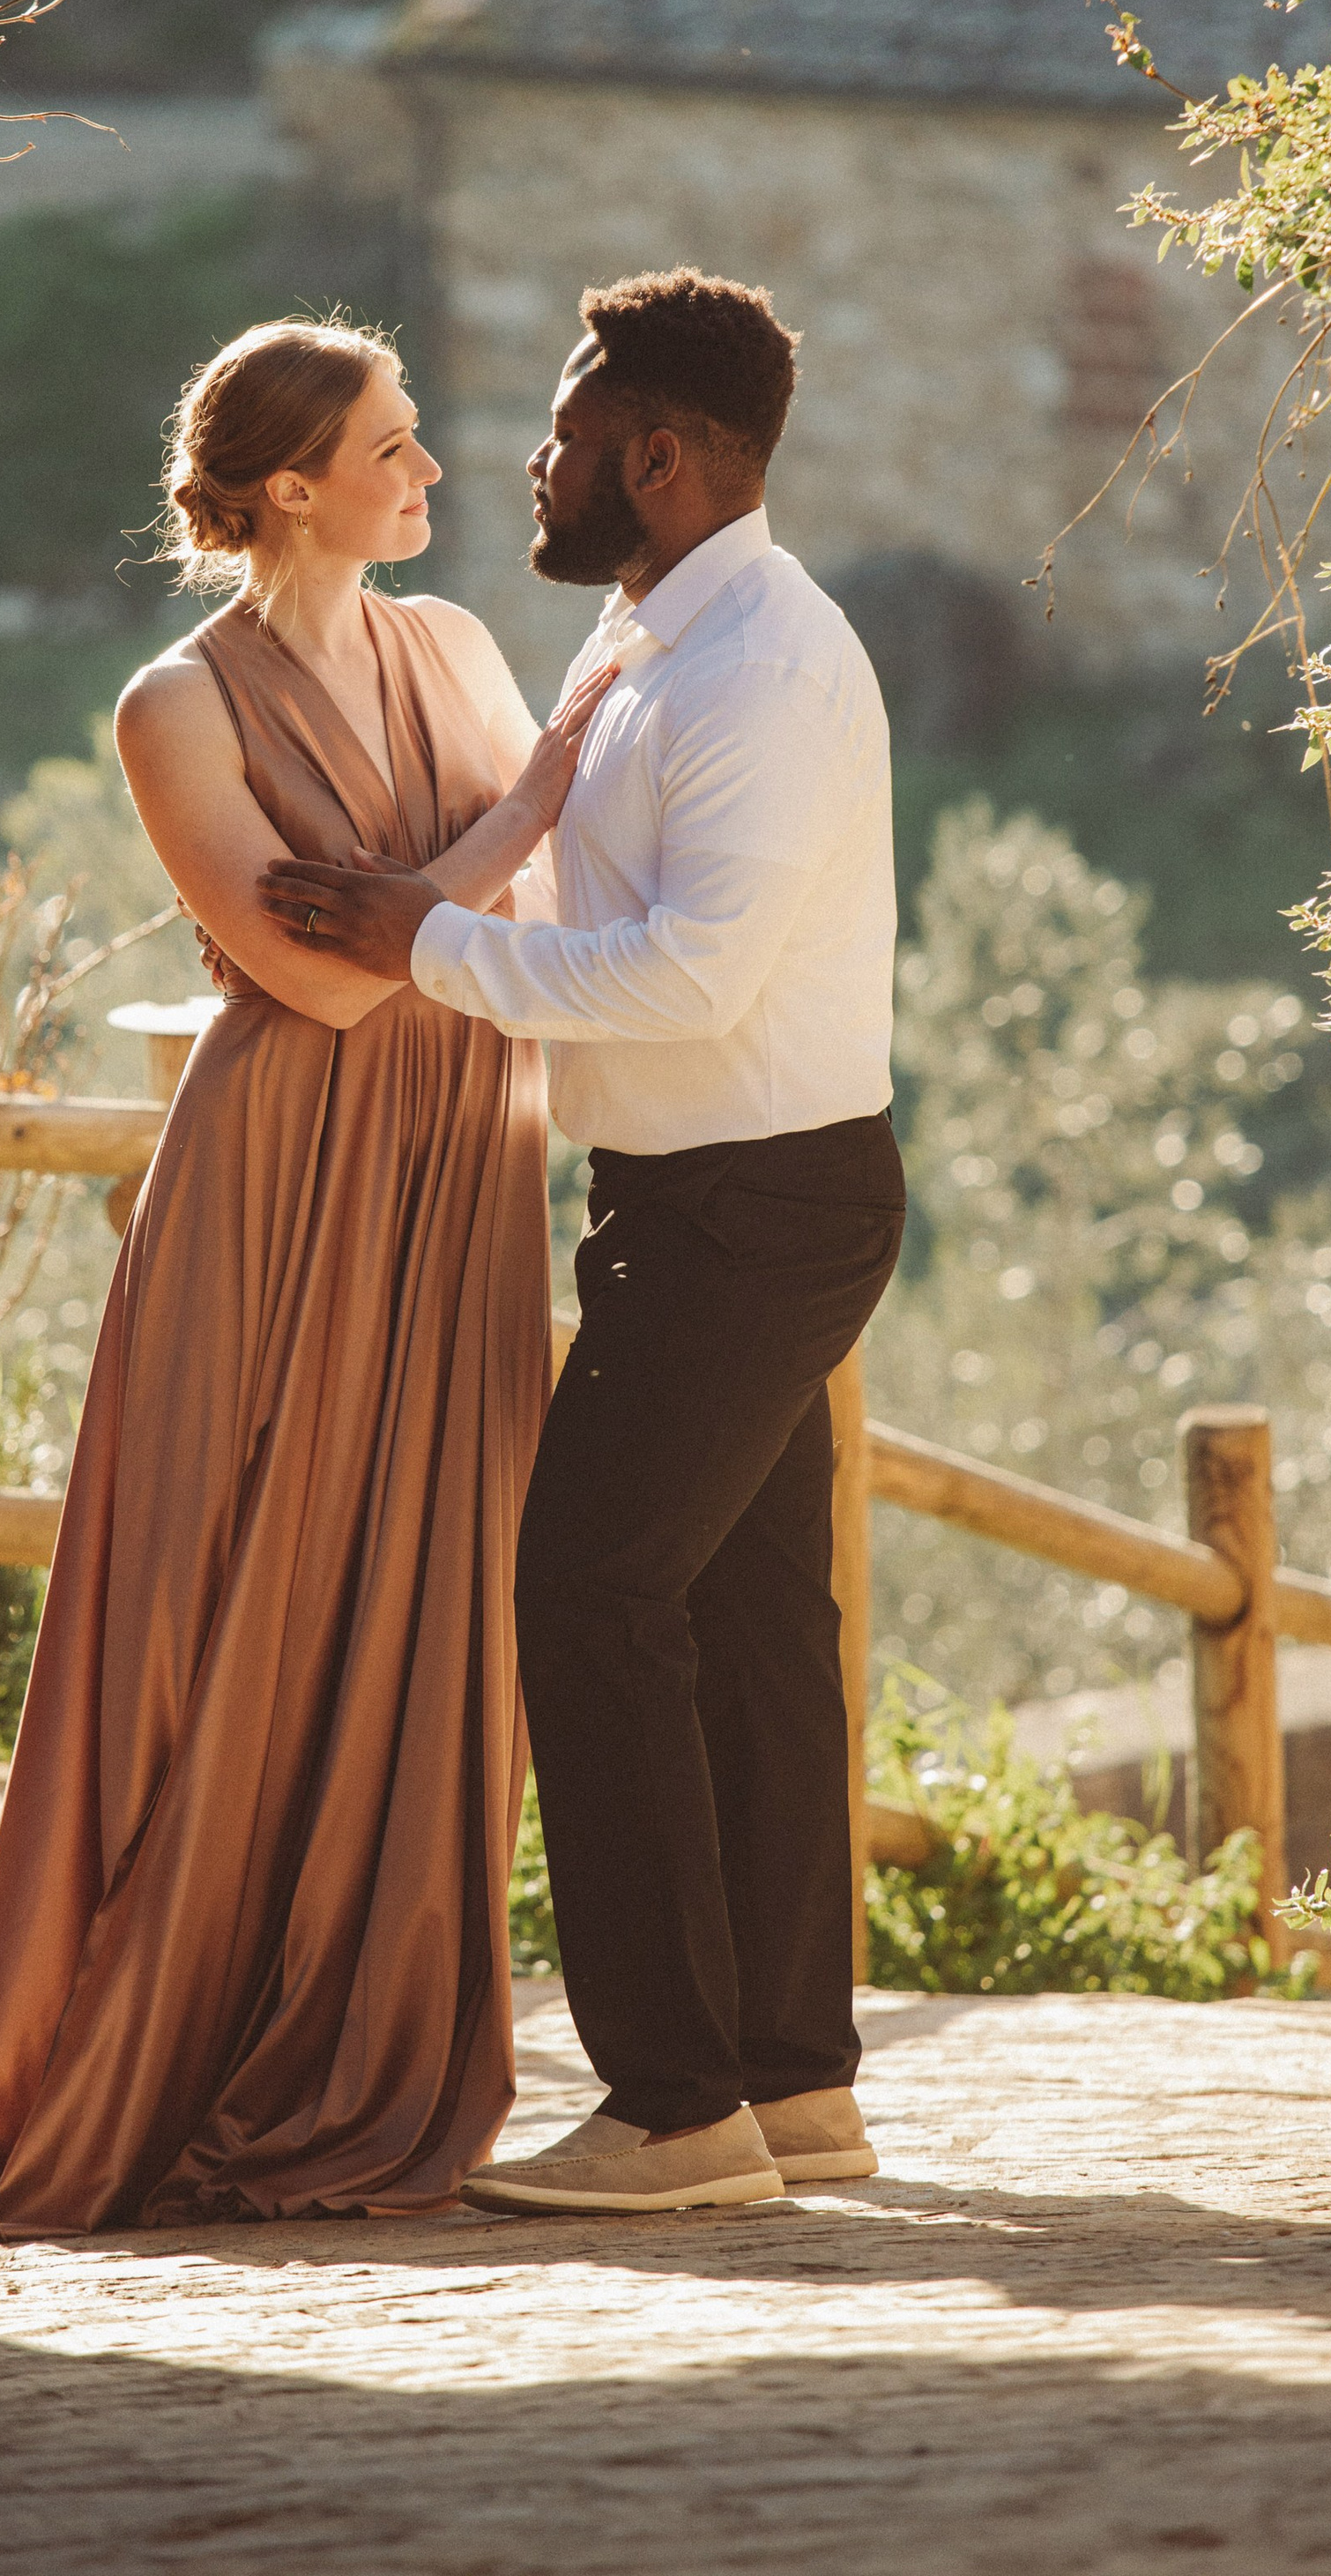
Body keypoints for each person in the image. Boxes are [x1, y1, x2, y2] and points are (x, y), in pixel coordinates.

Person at [0, 316, 609, 2232]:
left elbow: (515, 924)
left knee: (426, 1586)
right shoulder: (174, 704)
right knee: (215, 1600)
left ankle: (362, 2044)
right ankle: (155, 2051)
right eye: (392, 445)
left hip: (459, 1162)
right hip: (273, 1175)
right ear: (292, 483)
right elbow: (307, 979)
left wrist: (454, 875)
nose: (430, 472)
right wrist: (517, 813)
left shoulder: (457, 649)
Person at [259, 266, 902, 2216]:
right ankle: (790, 2088)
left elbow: (698, 976)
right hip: (696, 1199)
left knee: (585, 1598)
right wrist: (424, 907)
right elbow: (564, 868)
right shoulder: (641, 643)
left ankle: (671, 2106)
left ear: (654, 457)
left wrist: (417, 948)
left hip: (756, 1202)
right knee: (748, 1628)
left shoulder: (760, 671)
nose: (528, 465)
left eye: (556, 434)